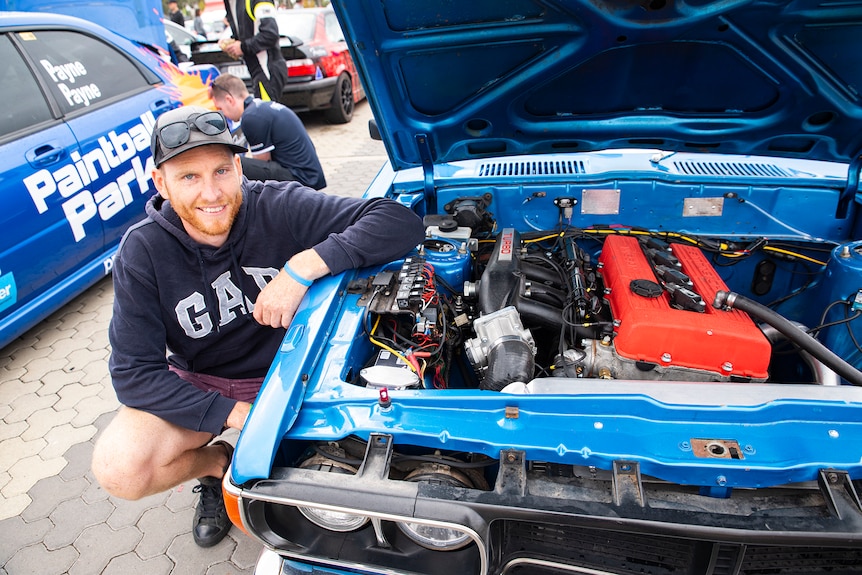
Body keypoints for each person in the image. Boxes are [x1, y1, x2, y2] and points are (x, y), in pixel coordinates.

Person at [90, 105, 425, 548]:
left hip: (292, 371)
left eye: (221, 171)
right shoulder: (142, 251)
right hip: (204, 381)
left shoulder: (277, 204)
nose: (212, 193)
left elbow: (400, 222)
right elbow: (134, 374)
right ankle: (216, 466)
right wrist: (237, 416)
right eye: (189, 177)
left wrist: (304, 265)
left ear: (238, 167)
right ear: (161, 183)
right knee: (121, 469)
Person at [210, 73, 326, 189]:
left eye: (220, 108)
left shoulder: (251, 117)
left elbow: (261, 164)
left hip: (301, 179)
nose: (223, 114)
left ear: (229, 100)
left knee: (235, 164)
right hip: (309, 175)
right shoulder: (260, 107)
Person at [219, 0, 287, 102]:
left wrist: (242, 47)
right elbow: (246, 32)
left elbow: (270, 35)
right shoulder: (232, 3)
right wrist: (233, 43)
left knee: (266, 114)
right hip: (257, 70)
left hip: (267, 69)